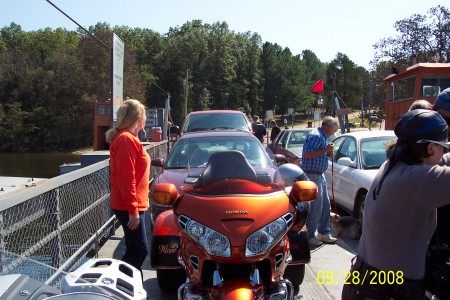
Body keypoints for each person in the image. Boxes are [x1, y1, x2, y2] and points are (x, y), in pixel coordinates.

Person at [342, 109, 450, 300]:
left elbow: (442, 161)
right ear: (431, 148)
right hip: (388, 291)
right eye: (444, 147)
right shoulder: (417, 180)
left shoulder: (394, 164)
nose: (445, 152)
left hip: (369, 283)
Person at [105, 99, 150, 276]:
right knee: (139, 250)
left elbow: (133, 167)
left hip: (133, 204)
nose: (146, 118)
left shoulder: (129, 138)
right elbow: (126, 177)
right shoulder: (125, 140)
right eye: (144, 114)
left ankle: (130, 289)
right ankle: (114, 281)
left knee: (134, 250)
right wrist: (133, 210)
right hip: (129, 206)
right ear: (138, 117)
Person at [301, 116, 339, 246]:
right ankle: (310, 235)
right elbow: (307, 154)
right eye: (334, 129)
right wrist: (325, 150)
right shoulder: (316, 136)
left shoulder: (322, 137)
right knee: (316, 207)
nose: (334, 132)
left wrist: (327, 152)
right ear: (329, 127)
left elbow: (318, 153)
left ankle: (323, 232)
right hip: (312, 175)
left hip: (319, 174)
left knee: (325, 205)